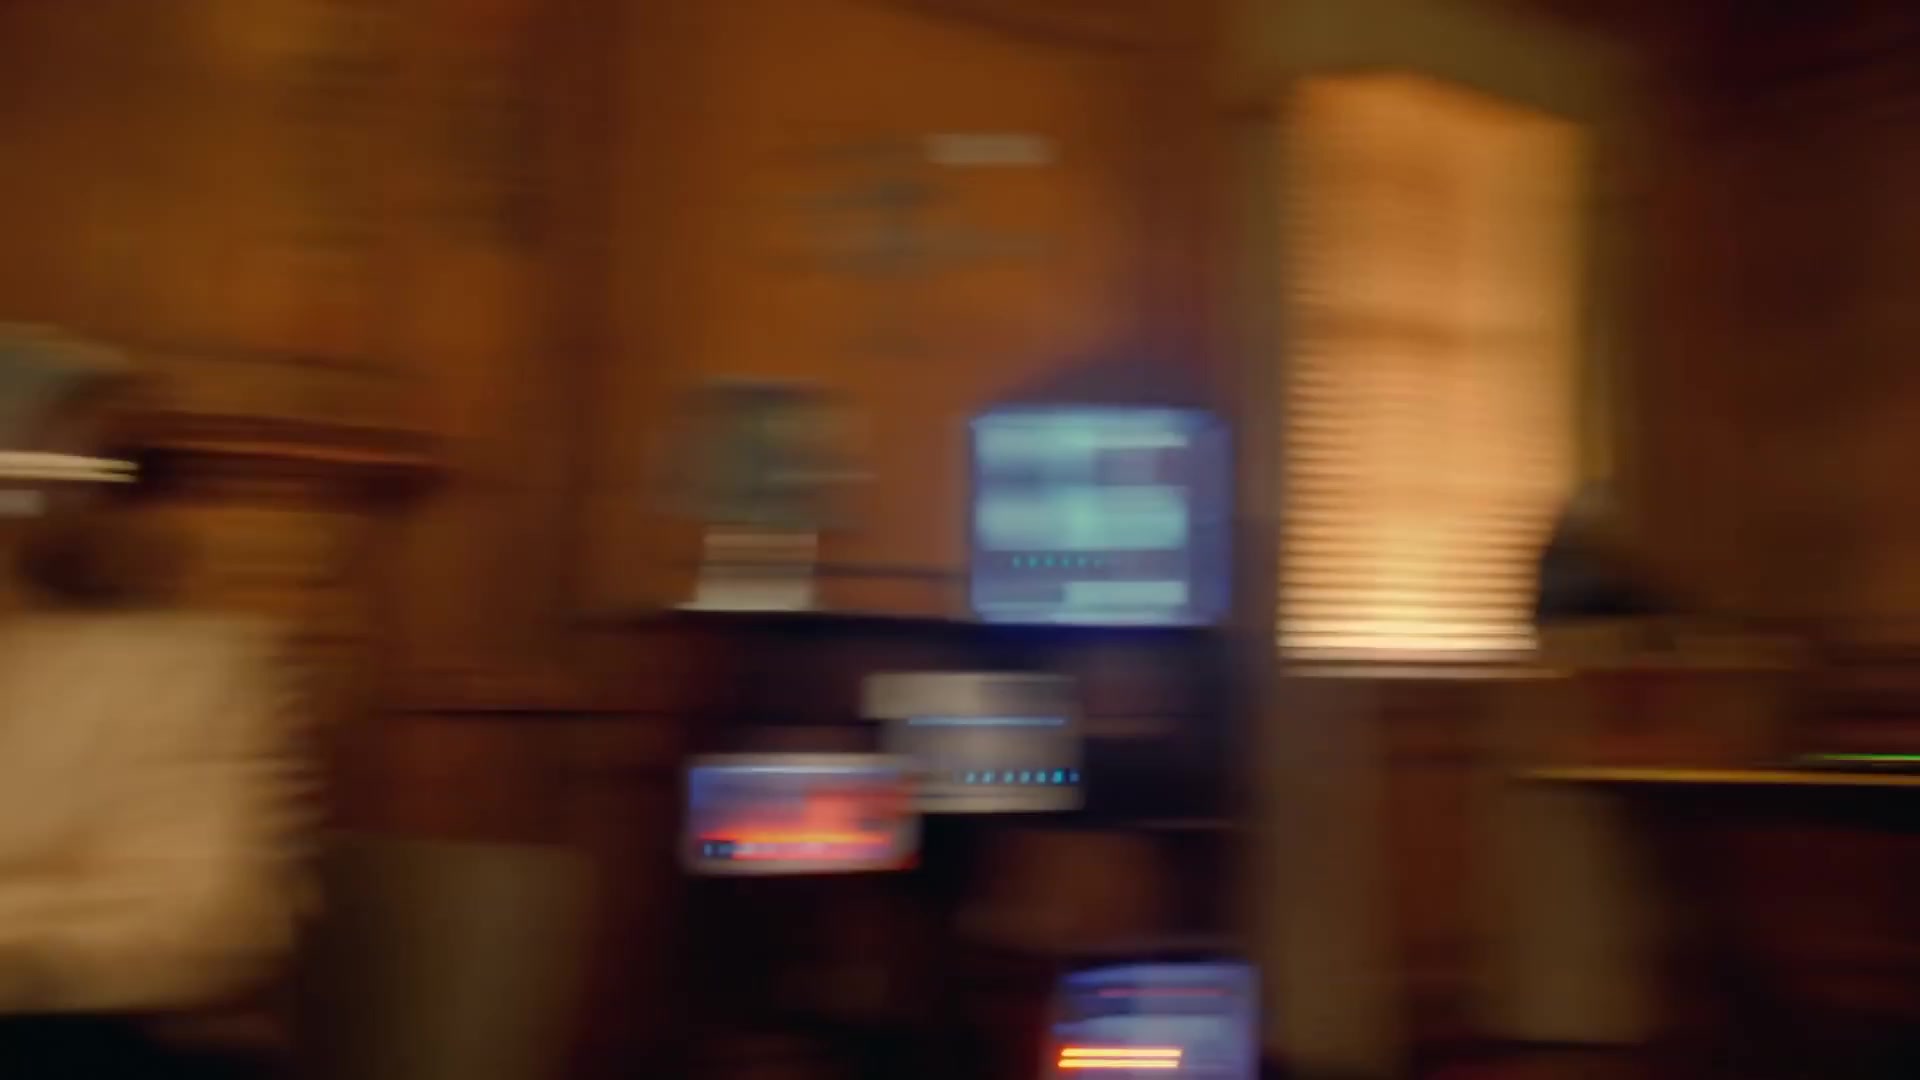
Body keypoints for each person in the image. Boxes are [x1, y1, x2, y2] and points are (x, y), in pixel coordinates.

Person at [0, 327, 311, 1076]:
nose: (72, 492)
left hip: (95, 1042)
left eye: (107, 469)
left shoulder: (197, 667)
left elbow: (204, 920)